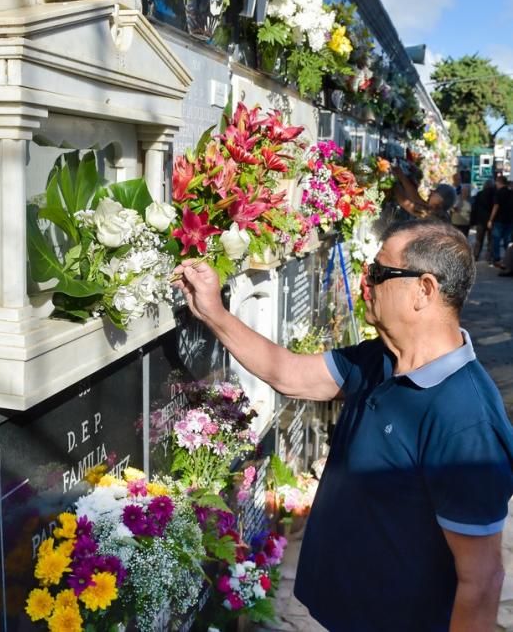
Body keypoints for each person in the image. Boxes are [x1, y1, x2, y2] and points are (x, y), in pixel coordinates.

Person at [173, 219, 513, 632]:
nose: (365, 281)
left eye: (379, 273)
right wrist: (214, 312)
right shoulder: (381, 359)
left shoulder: (466, 419)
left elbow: (480, 581)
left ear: (425, 290)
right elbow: (290, 375)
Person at [487, 174, 513, 266]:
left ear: (499, 182)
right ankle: (509, 260)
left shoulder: (498, 193)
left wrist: (490, 219)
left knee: (496, 241)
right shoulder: (511, 192)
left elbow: (496, 206)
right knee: (508, 242)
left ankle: (497, 259)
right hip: (509, 220)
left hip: (499, 220)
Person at [471, 179, 495, 261]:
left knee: (479, 240)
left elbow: (475, 208)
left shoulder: (479, 194)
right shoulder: (495, 194)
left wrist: (473, 220)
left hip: (480, 220)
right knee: (491, 240)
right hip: (492, 220)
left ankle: (476, 256)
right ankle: (489, 257)